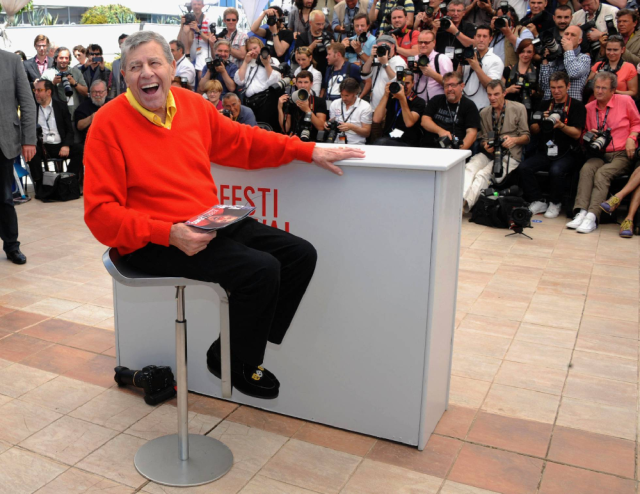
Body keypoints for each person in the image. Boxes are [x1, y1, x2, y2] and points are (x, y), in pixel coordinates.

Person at [83, 31, 364, 400]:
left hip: (204, 220)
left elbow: (244, 142)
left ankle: (231, 351)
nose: (146, 73)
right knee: (261, 271)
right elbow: (100, 215)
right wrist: (168, 233)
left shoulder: (192, 105)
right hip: (152, 239)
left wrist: (306, 150)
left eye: (154, 63)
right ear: (125, 76)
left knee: (299, 255)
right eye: (135, 67)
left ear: (172, 67)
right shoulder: (108, 123)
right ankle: (237, 360)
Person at [568, 72, 640, 234]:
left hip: (621, 153)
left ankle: (593, 216)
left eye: (603, 88)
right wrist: (589, 136)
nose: (599, 91)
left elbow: (637, 123)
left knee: (603, 174)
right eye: (597, 87)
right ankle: (581, 212)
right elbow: (583, 135)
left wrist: (632, 137)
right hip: (599, 153)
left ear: (613, 90)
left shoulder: (626, 101)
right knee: (587, 169)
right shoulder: (588, 107)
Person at [518, 72, 586, 218]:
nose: (556, 91)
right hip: (545, 150)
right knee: (524, 167)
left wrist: (561, 125)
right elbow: (533, 130)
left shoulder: (576, 106)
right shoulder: (544, 104)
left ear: (568, 86)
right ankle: (538, 199)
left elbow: (577, 134)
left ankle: (555, 202)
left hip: (567, 152)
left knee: (556, 170)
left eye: (560, 87)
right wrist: (542, 121)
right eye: (553, 87)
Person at [463, 80, 530, 211]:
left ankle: (463, 205)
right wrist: (485, 144)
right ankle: (458, 201)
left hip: (510, 154)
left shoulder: (518, 108)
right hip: (490, 153)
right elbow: (482, 138)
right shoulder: (484, 112)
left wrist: (514, 140)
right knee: (470, 167)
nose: (492, 98)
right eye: (489, 95)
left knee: (483, 174)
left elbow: (527, 137)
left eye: (496, 94)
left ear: (504, 93)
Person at [0, 50, 35, 265]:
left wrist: (28, 139)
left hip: (3, 141)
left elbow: (27, 103)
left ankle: (12, 245)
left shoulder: (11, 61)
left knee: (4, 197)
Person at [29, 79, 74, 198]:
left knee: (80, 150)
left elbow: (70, 130)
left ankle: (68, 181)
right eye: (35, 90)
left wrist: (66, 145)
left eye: (39, 90)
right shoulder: (32, 109)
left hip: (59, 145)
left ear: (49, 92)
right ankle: (40, 185)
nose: (36, 93)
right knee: (32, 151)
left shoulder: (61, 107)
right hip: (42, 145)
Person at [420, 71, 480, 149]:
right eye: (446, 86)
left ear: (462, 86)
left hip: (455, 149)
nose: (449, 89)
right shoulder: (436, 100)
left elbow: (472, 134)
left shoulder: (469, 106)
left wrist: (459, 154)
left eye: (453, 85)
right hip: (430, 147)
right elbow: (424, 121)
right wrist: (440, 131)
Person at [234, 37, 282, 129]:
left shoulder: (272, 60)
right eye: (250, 49)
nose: (253, 51)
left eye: (255, 48)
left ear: (261, 47)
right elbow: (239, 80)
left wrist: (266, 64)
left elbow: (275, 80)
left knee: (265, 128)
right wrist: (245, 61)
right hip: (249, 101)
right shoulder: (248, 62)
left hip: (265, 101)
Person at [458, 25, 505, 111]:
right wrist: (460, 63)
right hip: (463, 105)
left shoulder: (496, 60)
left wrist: (476, 67)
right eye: (479, 36)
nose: (481, 39)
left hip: (482, 108)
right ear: (474, 38)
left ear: (490, 39)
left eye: (484, 36)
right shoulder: (468, 54)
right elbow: (457, 79)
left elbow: (492, 87)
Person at [372, 70, 425, 146]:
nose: (404, 86)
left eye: (407, 83)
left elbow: (409, 123)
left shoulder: (419, 102)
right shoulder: (392, 98)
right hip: (388, 137)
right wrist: (386, 95)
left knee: (380, 142)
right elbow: (376, 119)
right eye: (402, 83)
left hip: (407, 142)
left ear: (413, 83)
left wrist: (402, 99)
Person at [72, 80, 109, 185]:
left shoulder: (113, 104)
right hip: (91, 142)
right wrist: (92, 117)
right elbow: (79, 126)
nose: (98, 95)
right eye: (94, 92)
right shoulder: (83, 107)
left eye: (100, 92)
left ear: (106, 92)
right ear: (90, 93)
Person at [539, 25, 591, 101]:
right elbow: (544, 85)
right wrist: (545, 59)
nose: (568, 37)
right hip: (550, 103)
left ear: (579, 41)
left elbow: (573, 73)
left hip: (572, 105)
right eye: (566, 34)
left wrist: (568, 50)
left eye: (573, 35)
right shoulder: (555, 56)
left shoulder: (584, 58)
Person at [360, 35, 407, 112]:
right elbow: (364, 75)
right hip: (373, 108)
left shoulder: (399, 62)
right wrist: (371, 57)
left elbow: (398, 83)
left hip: (388, 109)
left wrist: (385, 64)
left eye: (384, 46)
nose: (382, 49)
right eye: (379, 47)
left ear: (392, 46)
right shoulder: (377, 60)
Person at [278, 70, 328, 140]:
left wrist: (307, 110)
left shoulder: (319, 101)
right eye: (300, 82)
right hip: (294, 140)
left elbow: (321, 127)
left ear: (311, 84)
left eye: (306, 82)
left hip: (312, 141)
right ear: (296, 83)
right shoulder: (291, 101)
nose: (303, 85)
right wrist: (280, 108)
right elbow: (285, 129)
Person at [41, 46, 88, 118]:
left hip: (72, 114)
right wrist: (53, 83)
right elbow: (40, 95)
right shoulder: (48, 73)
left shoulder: (76, 72)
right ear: (56, 59)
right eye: (61, 58)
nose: (64, 60)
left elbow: (85, 92)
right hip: (54, 116)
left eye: (66, 58)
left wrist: (74, 83)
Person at [412, 30, 453, 103]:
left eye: (426, 42)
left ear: (434, 43)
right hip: (418, 104)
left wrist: (433, 74)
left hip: (438, 104)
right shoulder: (414, 59)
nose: (423, 45)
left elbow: (451, 85)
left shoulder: (442, 59)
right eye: (420, 42)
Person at [327, 77, 372, 143]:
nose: (343, 98)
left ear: (355, 93)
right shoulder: (335, 103)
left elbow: (367, 133)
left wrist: (352, 127)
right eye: (342, 95)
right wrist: (328, 125)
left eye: (347, 95)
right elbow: (332, 124)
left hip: (356, 144)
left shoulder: (365, 106)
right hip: (336, 143)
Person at [502, 39, 539, 112]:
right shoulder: (508, 70)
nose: (525, 55)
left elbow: (541, 94)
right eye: (522, 51)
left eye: (529, 52)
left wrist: (533, 92)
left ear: (533, 53)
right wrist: (509, 90)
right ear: (518, 52)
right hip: (510, 110)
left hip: (530, 110)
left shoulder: (537, 72)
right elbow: (498, 94)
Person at [178, 0, 215, 72]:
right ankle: (187, 54)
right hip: (190, 46)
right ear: (191, 5)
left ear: (202, 6)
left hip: (202, 46)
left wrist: (198, 30)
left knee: (201, 71)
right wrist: (182, 25)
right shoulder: (188, 19)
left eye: (198, 4)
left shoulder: (208, 20)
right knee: (186, 29)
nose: (196, 6)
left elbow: (210, 41)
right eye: (194, 4)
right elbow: (179, 40)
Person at [295, 10, 334, 78]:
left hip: (327, 72)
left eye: (323, 24)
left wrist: (334, 47)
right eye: (318, 24)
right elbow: (296, 57)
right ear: (310, 23)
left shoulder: (329, 36)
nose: (321, 27)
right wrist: (311, 47)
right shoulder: (303, 37)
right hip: (309, 74)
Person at [109, 34, 129, 99]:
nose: (124, 45)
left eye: (126, 43)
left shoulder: (138, 61)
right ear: (119, 46)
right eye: (122, 43)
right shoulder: (115, 64)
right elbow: (114, 86)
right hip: (121, 98)